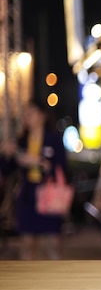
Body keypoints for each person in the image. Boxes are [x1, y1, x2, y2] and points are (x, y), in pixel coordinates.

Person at [0, 102, 69, 259]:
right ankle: (30, 280)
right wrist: (6, 154)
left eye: (31, 112)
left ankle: (56, 280)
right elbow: (6, 169)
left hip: (49, 194)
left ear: (42, 115)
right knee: (27, 243)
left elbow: (62, 167)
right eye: (25, 113)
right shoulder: (21, 141)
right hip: (28, 195)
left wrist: (38, 162)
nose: (27, 116)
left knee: (53, 243)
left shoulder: (54, 138)